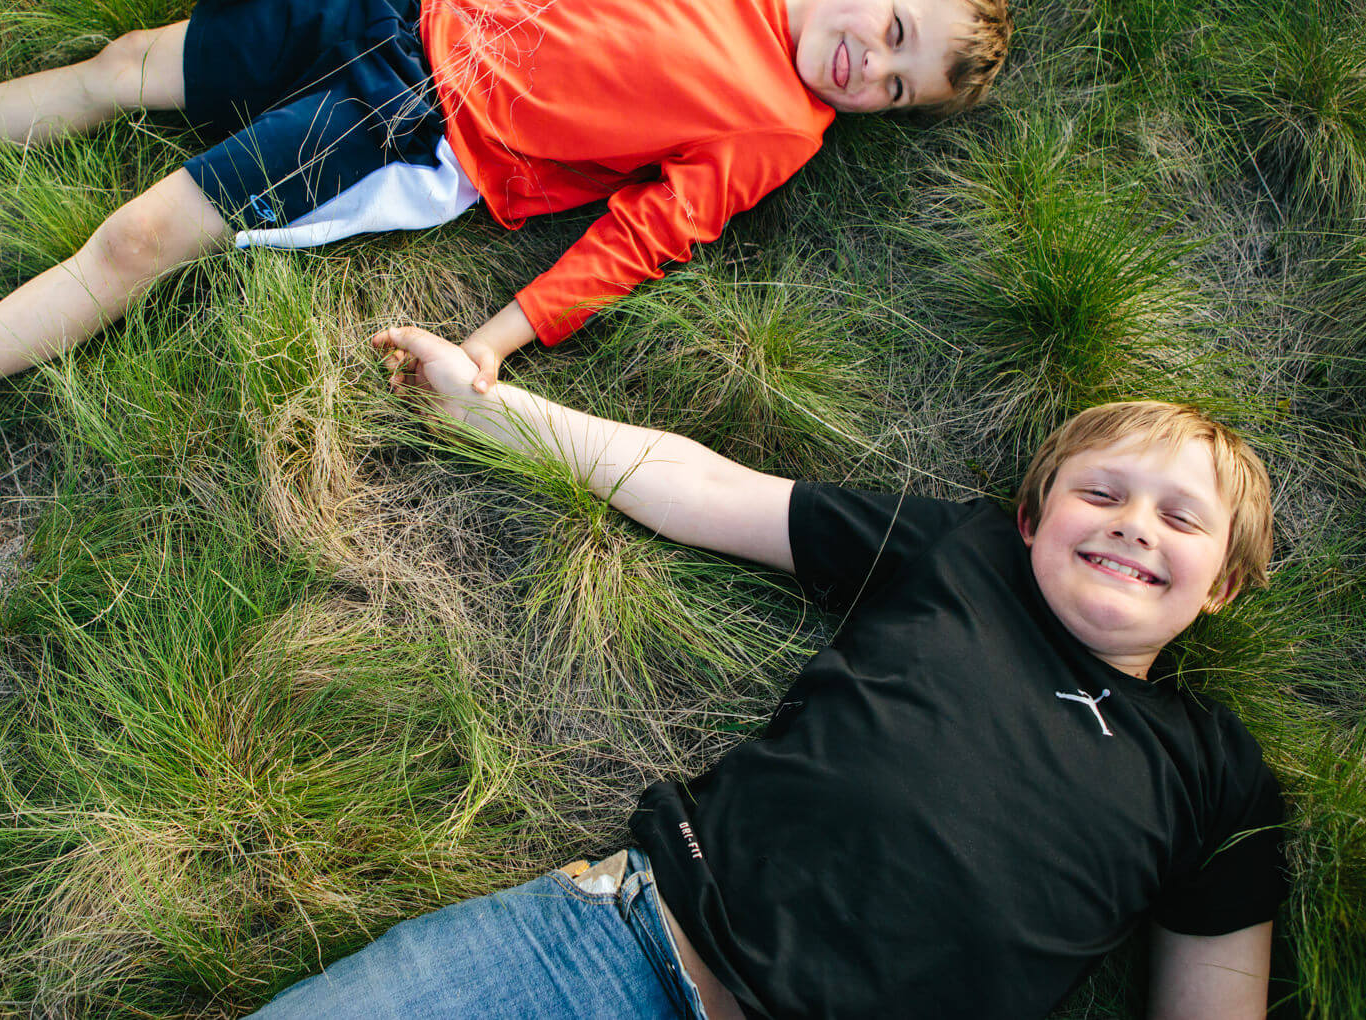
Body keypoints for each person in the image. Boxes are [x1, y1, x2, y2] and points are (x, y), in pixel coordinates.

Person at [0, 0, 1009, 474]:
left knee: (140, 237)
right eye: (889, 27)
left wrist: (494, 344)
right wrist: (426, 5)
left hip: (412, 128)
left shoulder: (776, 131)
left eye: (895, 88)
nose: (870, 65)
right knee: (128, 66)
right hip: (395, 20)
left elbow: (637, 240)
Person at [241, 324, 1287, 1020]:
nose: (1131, 524)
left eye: (1180, 516)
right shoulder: (962, 558)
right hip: (613, 957)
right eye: (1101, 491)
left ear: (1225, 583)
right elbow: (711, 486)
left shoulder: (1212, 773)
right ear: (1030, 518)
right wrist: (492, 412)